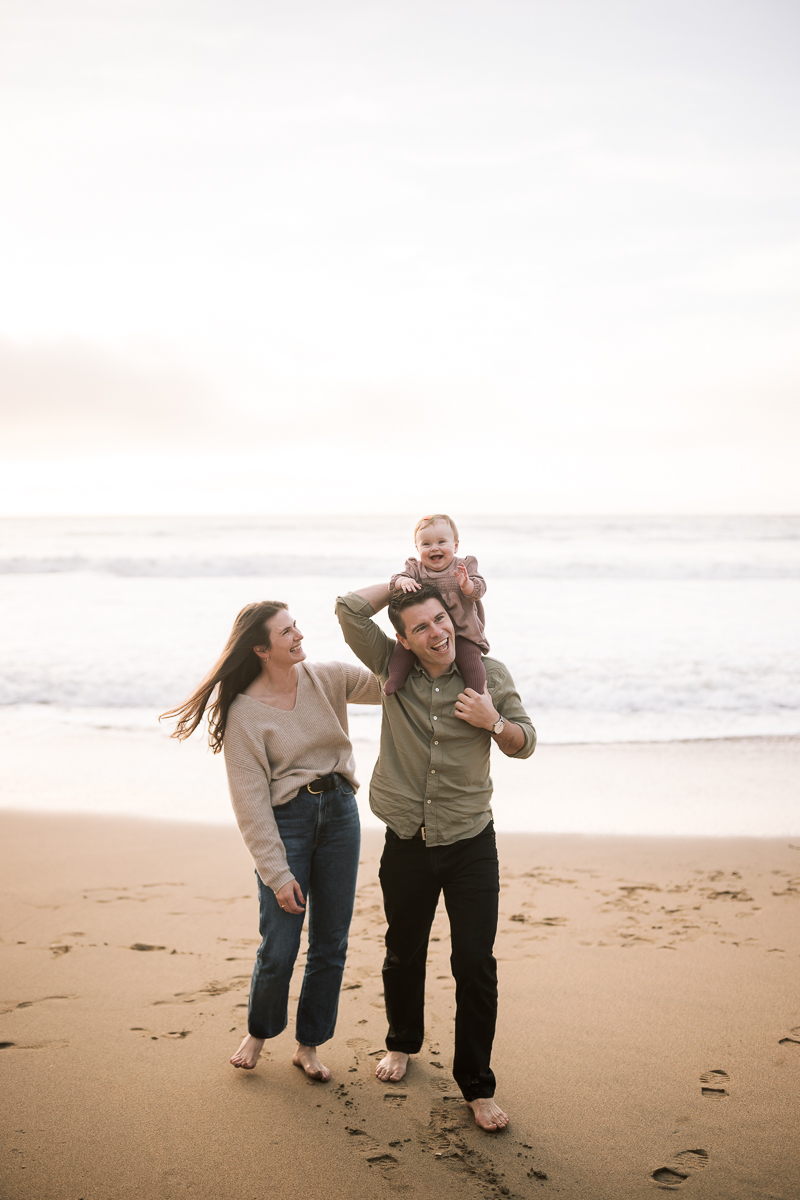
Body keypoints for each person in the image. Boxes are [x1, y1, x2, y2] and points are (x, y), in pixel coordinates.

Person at [335, 582, 536, 1131]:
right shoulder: (389, 665)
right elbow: (348, 608)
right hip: (406, 837)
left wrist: (491, 721)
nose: (436, 632)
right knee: (403, 950)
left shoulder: (488, 677)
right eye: (419, 626)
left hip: (471, 841)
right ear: (403, 638)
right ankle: (401, 1043)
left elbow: (527, 742)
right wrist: (400, 582)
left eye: (440, 618)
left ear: (454, 617)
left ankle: (476, 1085)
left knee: (475, 964)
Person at [162, 600, 381, 1081]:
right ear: (261, 649)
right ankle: (259, 1032)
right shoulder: (243, 713)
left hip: (342, 813)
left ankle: (309, 1045)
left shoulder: (328, 677)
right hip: (289, 825)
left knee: (331, 942)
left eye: (296, 625)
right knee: (279, 944)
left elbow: (394, 683)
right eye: (287, 632)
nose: (299, 634)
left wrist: (425, 604)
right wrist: (277, 873)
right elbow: (250, 803)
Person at [385, 513, 488, 696]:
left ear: (455, 546)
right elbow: (395, 581)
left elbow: (480, 589)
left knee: (471, 658)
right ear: (417, 548)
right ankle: (396, 678)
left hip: (462, 628)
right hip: (429, 628)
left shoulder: (464, 566)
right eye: (426, 544)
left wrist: (467, 585)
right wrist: (404, 582)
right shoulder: (416, 569)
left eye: (441, 542)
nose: (434, 548)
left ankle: (476, 694)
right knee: (403, 650)